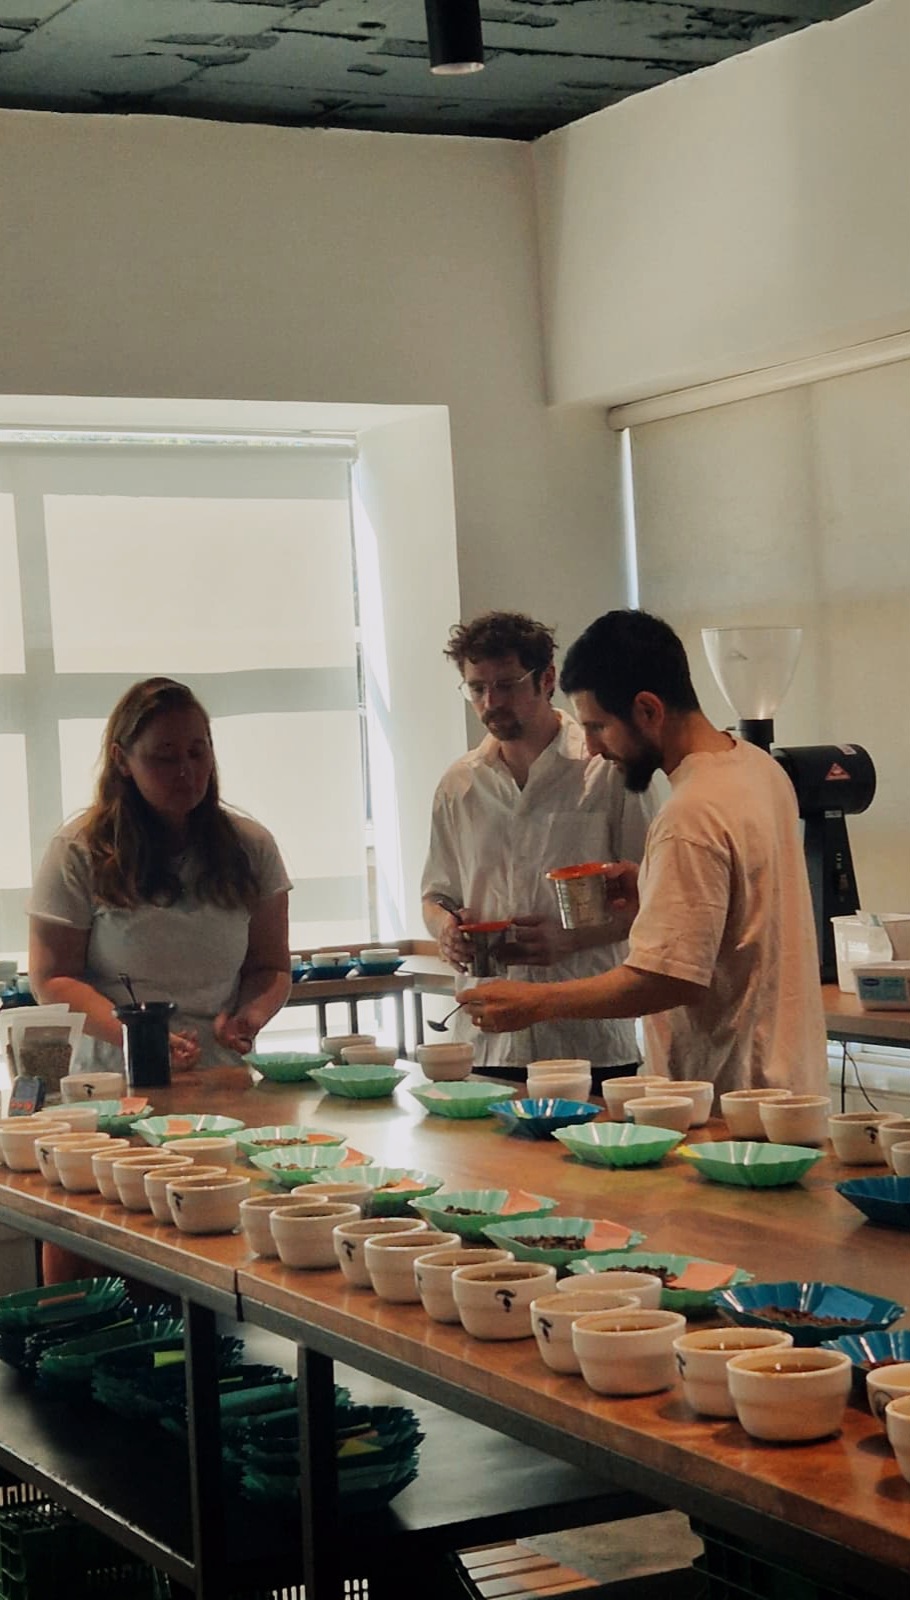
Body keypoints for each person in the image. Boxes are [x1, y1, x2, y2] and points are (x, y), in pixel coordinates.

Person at [464, 609, 828, 1100]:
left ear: (648, 710)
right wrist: (654, 892)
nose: (593, 748)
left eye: (598, 727)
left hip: (728, 1101)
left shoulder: (689, 816)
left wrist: (537, 1002)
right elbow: (741, 915)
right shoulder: (759, 770)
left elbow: (665, 981)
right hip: (791, 1087)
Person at [421, 610, 658, 1072]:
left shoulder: (608, 770)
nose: (491, 702)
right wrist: (445, 930)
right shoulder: (459, 784)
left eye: (506, 685)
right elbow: (436, 896)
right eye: (477, 688)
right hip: (486, 1041)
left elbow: (655, 897)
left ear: (546, 679)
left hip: (589, 1041)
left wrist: (571, 939)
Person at [28, 676, 292, 1074]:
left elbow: (271, 968)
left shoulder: (251, 846)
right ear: (122, 760)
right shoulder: (78, 850)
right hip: (115, 1080)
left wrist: (248, 1017)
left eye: (197, 753)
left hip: (221, 1077)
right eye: (165, 758)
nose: (185, 771)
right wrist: (139, 1035)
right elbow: (52, 979)